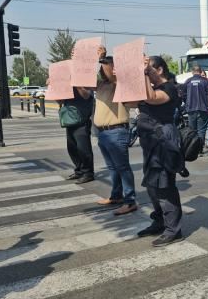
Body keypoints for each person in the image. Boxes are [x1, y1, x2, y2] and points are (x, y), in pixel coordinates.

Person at [136, 55, 185, 247]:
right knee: (151, 184)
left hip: (162, 140)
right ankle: (159, 221)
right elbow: (130, 102)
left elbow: (152, 98)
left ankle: (174, 230)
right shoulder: (151, 86)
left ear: (160, 70)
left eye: (149, 69)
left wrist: (144, 73)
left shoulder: (169, 88)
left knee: (164, 185)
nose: (146, 72)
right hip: (149, 141)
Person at [93, 47, 137, 215]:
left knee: (122, 167)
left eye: (106, 65)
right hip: (103, 132)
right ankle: (116, 196)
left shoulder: (118, 84)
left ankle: (130, 200)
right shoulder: (102, 85)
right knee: (113, 168)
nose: (103, 69)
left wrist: (101, 58)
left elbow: (111, 75)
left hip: (117, 132)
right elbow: (83, 82)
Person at [63, 86, 95, 184]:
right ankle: (79, 170)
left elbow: (86, 96)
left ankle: (88, 173)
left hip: (82, 121)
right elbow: (59, 101)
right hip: (70, 120)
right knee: (72, 148)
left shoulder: (85, 83)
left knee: (83, 149)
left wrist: (77, 84)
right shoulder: (68, 86)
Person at [183, 64, 208, 150]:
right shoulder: (205, 81)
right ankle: (200, 150)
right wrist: (207, 106)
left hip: (191, 109)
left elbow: (183, 94)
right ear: (200, 72)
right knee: (201, 130)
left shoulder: (188, 81)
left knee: (193, 130)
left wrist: (187, 103)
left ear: (192, 72)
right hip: (203, 109)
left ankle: (193, 149)